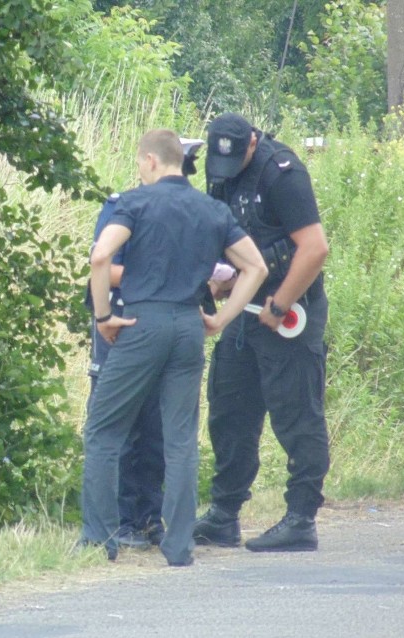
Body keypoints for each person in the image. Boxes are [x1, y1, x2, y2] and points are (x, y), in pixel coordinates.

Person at [81, 128, 267, 565]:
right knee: (181, 438)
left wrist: (104, 316)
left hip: (142, 323)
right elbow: (255, 267)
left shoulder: (134, 203)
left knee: (104, 430)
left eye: (139, 164)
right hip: (188, 325)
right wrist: (220, 318)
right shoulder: (211, 209)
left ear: (149, 161)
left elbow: (99, 257)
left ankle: (100, 539)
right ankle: (179, 547)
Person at [194, 112, 330, 552]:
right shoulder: (221, 174)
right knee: (229, 411)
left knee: (296, 414)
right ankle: (224, 514)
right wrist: (219, 277)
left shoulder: (283, 174)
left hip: (287, 312)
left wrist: (279, 304)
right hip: (242, 310)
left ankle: (300, 519)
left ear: (252, 143)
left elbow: (313, 248)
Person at [86, 138, 211, 549]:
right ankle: (120, 521)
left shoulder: (194, 208)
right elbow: (104, 263)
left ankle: (150, 517)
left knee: (161, 429)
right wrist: (162, 277)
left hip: (163, 322)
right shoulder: (126, 205)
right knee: (121, 427)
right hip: (128, 319)